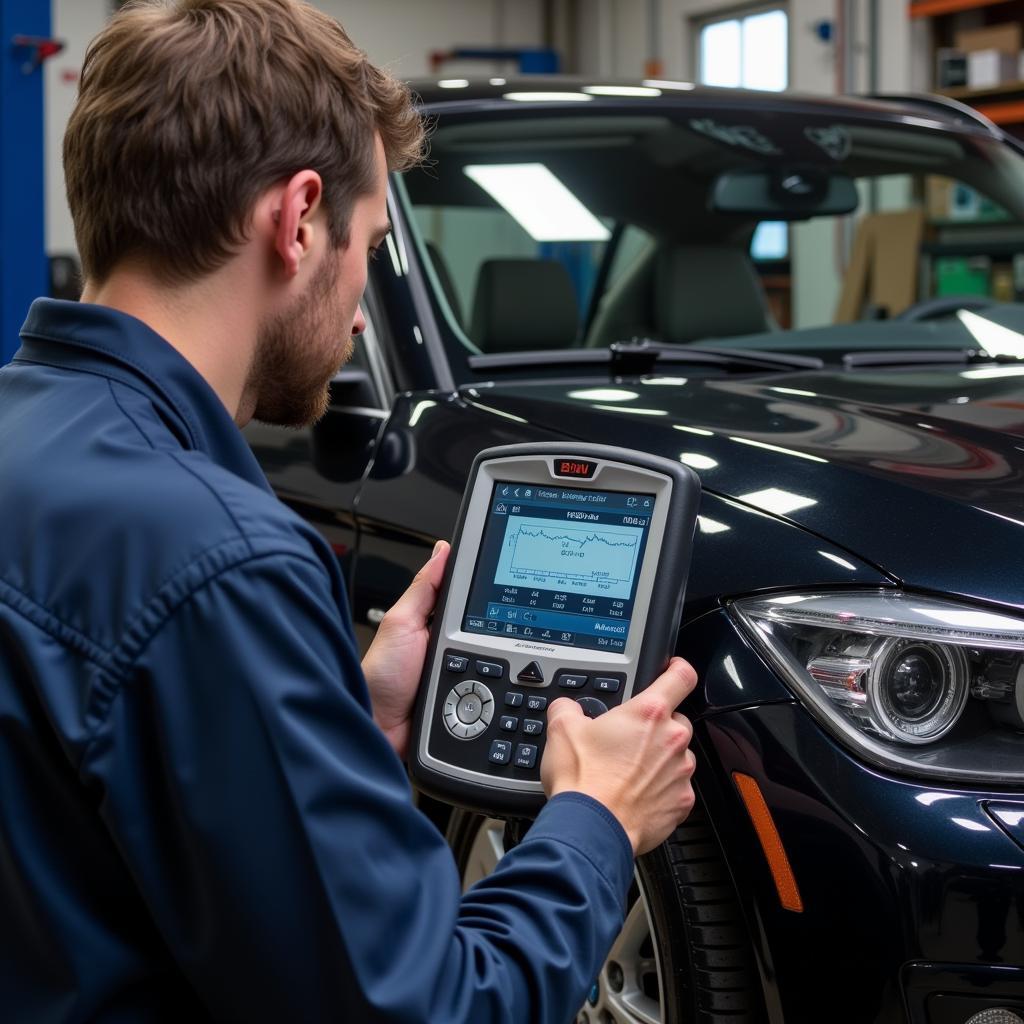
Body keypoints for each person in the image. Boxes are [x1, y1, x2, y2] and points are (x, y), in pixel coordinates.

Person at [0, 1, 698, 1020]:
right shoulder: (219, 560)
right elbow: (424, 1004)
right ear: (297, 219)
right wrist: (595, 818)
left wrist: (342, 717)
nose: (361, 299)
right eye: (368, 244)